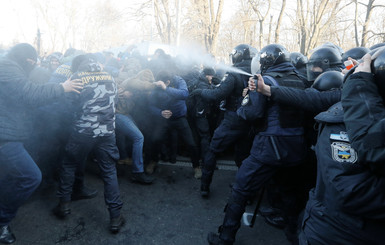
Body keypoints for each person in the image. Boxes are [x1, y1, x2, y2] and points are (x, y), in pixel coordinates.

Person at [207, 44, 306, 245]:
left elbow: (252, 114)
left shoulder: (263, 81)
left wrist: (245, 101)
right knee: (288, 191)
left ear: (266, 62)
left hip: (269, 147)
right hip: (296, 147)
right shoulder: (300, 81)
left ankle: (225, 237)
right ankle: (293, 235)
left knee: (241, 189)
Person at [299, 51, 385, 245]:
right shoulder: (343, 116)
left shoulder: (345, 118)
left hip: (346, 232)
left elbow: (352, 192)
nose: (312, 71)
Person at [0, 43, 82, 244]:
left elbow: (26, 100)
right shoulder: (7, 67)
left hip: (10, 132)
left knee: (12, 174)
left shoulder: (11, 67)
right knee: (30, 176)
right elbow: (29, 93)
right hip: (4, 136)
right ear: (28, 60)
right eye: (32, 62)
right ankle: (1, 221)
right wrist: (62, 87)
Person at [52, 54, 125, 234]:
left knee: (69, 165)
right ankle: (115, 217)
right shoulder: (109, 77)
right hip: (107, 133)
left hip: (82, 132)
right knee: (109, 171)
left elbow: (67, 108)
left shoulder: (76, 78)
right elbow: (114, 103)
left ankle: (64, 206)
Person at [191, 44, 254, 197]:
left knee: (213, 150)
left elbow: (217, 94)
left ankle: (205, 186)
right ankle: (246, 191)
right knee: (243, 156)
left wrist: (200, 91)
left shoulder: (233, 73)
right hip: (250, 121)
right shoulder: (255, 71)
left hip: (233, 120)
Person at [145, 70, 201, 178]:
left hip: (179, 118)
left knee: (191, 143)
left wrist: (166, 89)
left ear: (168, 82)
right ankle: (154, 161)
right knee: (155, 139)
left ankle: (196, 166)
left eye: (164, 84)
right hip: (164, 119)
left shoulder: (179, 80)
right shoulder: (157, 84)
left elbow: (184, 94)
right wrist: (160, 112)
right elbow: (150, 106)